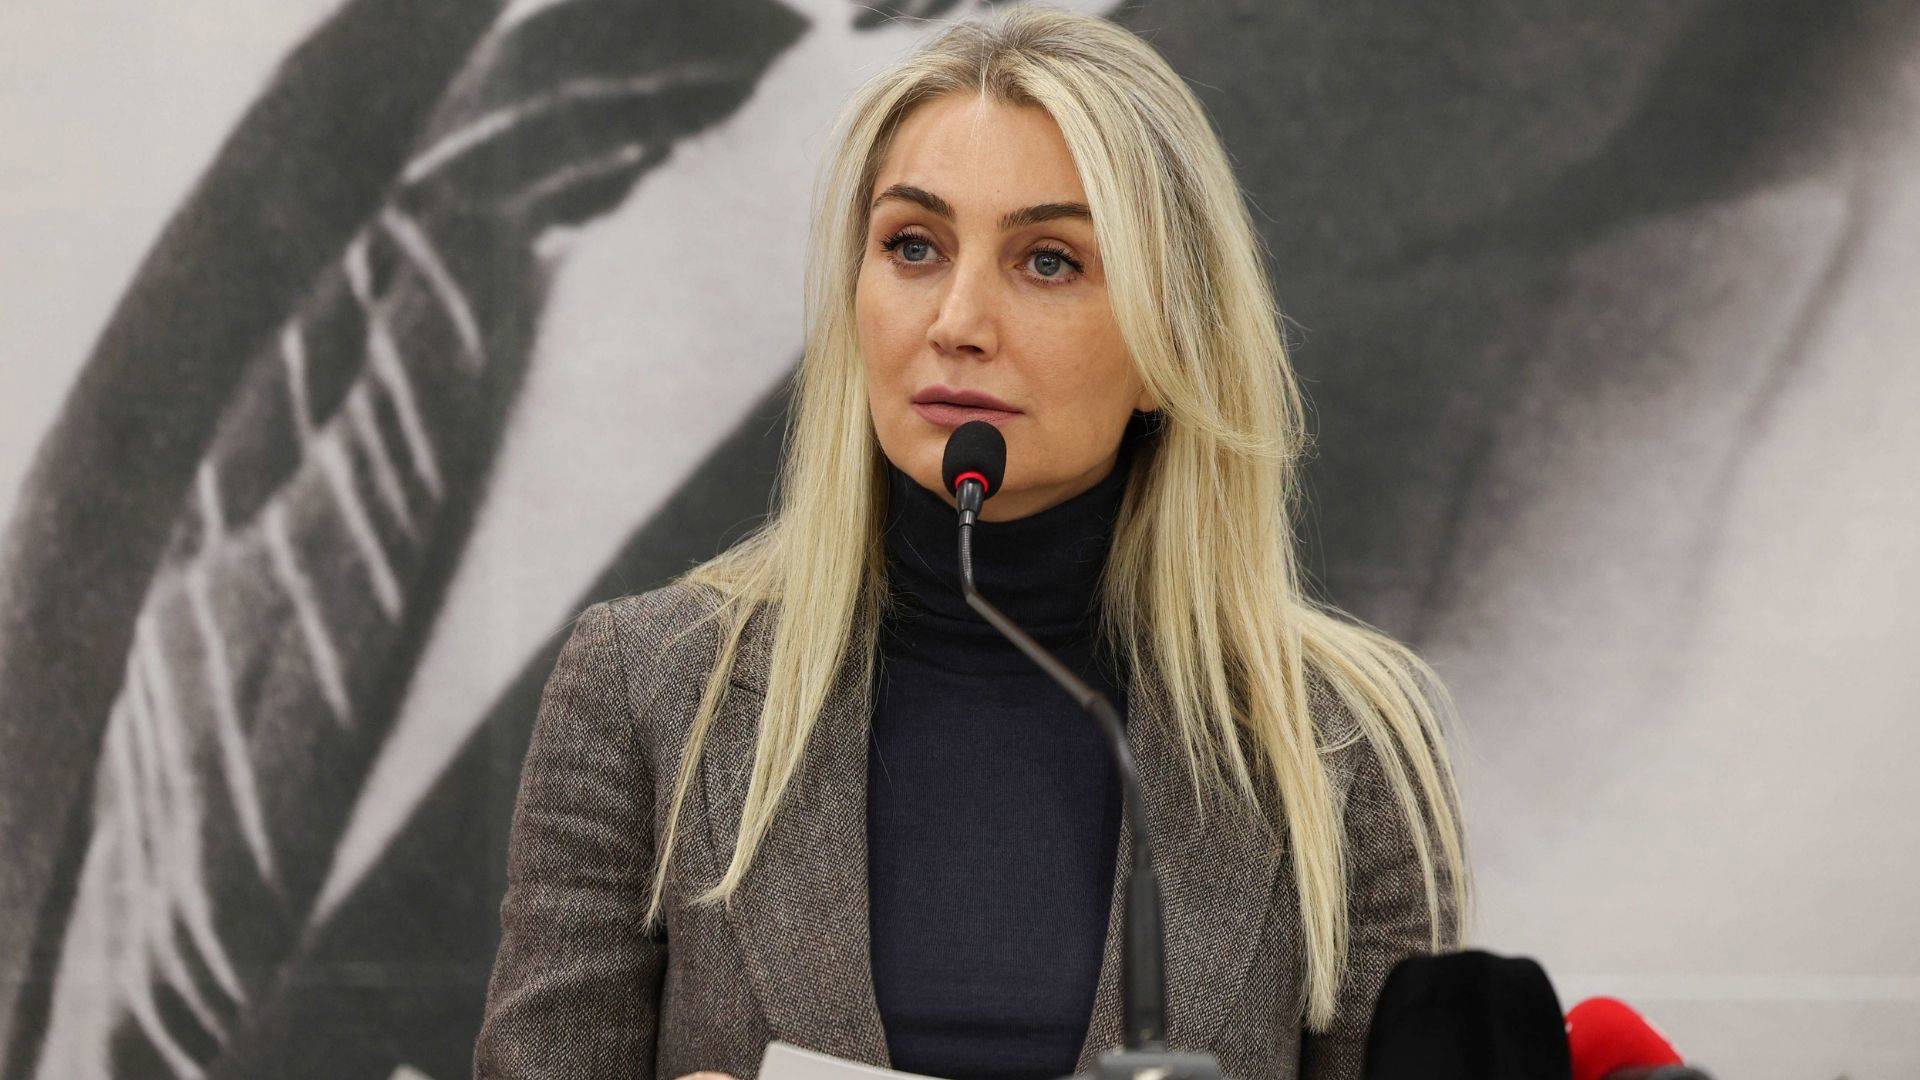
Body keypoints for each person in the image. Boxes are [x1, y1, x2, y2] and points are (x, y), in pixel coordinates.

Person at [473, 6, 1470, 1079]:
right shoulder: (649, 690)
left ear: (1168, 342)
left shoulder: (1342, 742)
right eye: (913, 246)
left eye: (1048, 261)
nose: (956, 321)